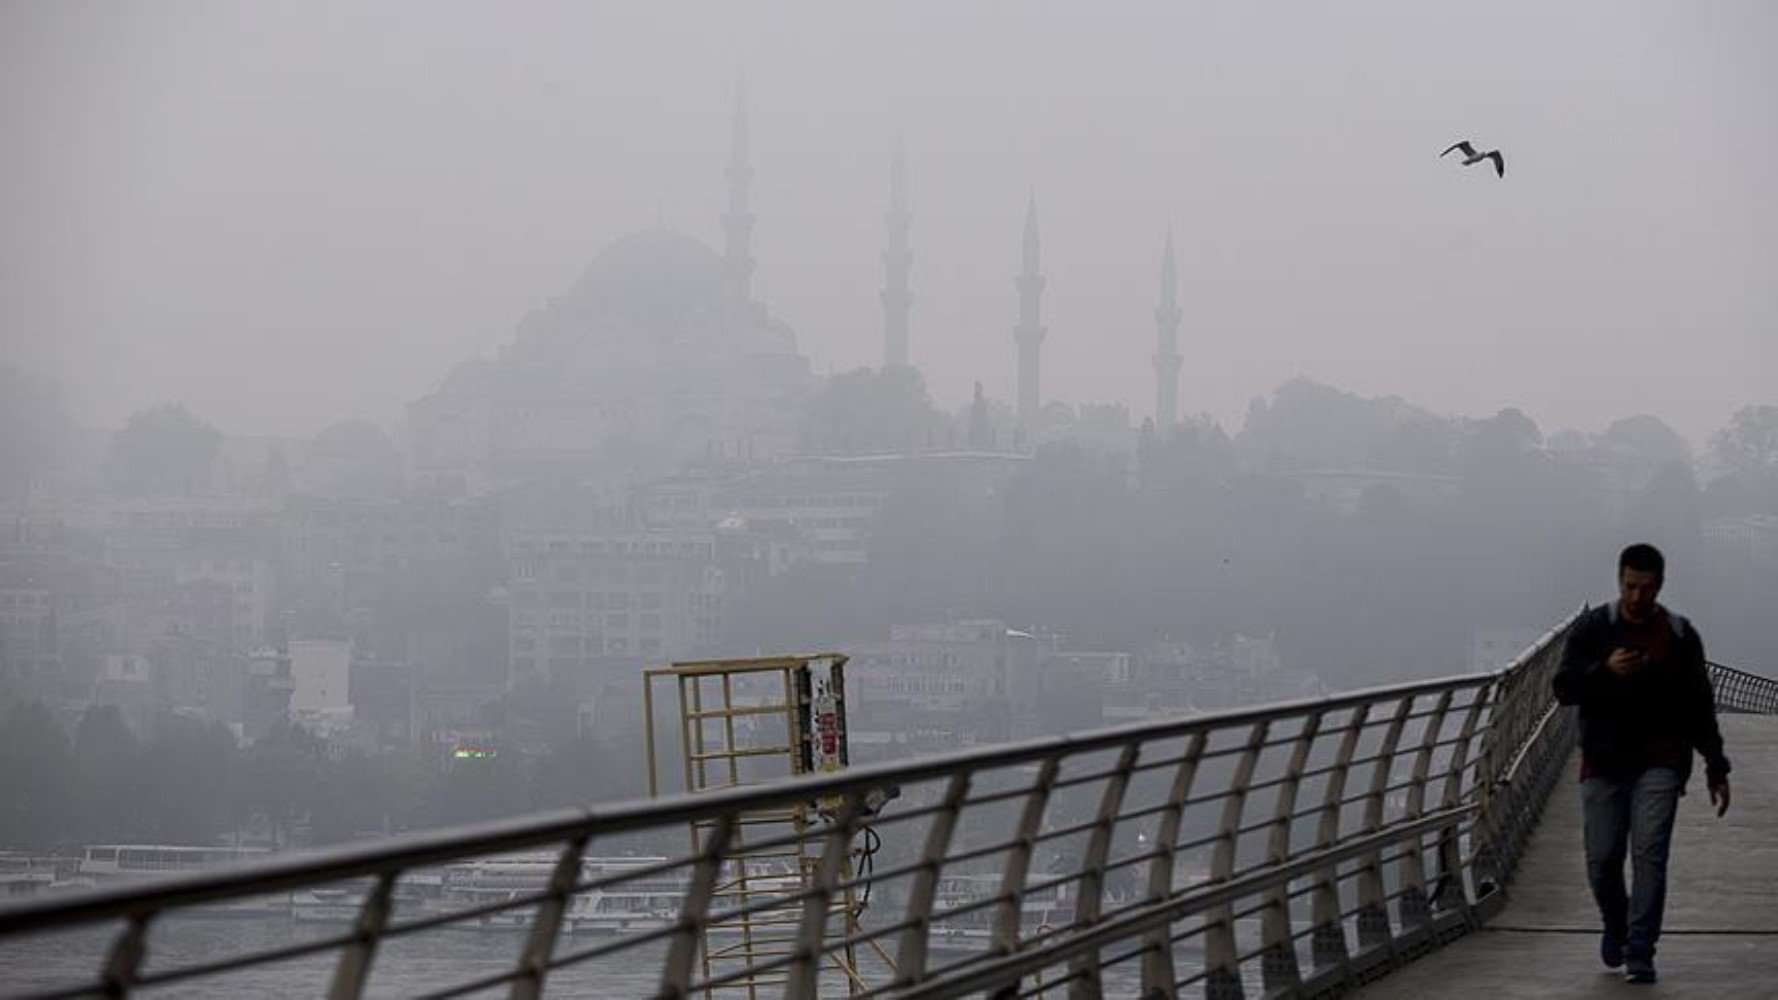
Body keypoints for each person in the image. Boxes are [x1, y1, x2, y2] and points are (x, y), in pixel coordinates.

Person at [1553, 543, 1731, 985]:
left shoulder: (1679, 635)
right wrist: (1604, 671)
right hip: (1603, 762)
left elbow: (1699, 705)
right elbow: (1563, 688)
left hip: (1662, 760)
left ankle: (1640, 950)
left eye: (1646, 588)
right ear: (1619, 582)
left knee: (1650, 854)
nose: (1637, 597)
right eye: (1630, 587)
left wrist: (1716, 766)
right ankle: (1616, 924)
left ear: (1660, 586)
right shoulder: (1594, 629)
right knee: (1602, 860)